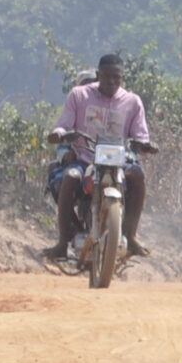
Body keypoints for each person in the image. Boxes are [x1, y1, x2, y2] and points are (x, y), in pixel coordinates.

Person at [47, 54, 157, 264]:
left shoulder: (132, 102)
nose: (112, 82)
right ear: (98, 75)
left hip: (119, 160)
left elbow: (141, 135)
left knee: (138, 175)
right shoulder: (79, 95)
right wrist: (59, 133)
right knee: (70, 177)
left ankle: (131, 235)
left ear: (123, 77)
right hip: (86, 159)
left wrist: (146, 145)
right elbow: (65, 124)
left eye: (117, 78)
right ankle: (62, 241)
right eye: (107, 77)